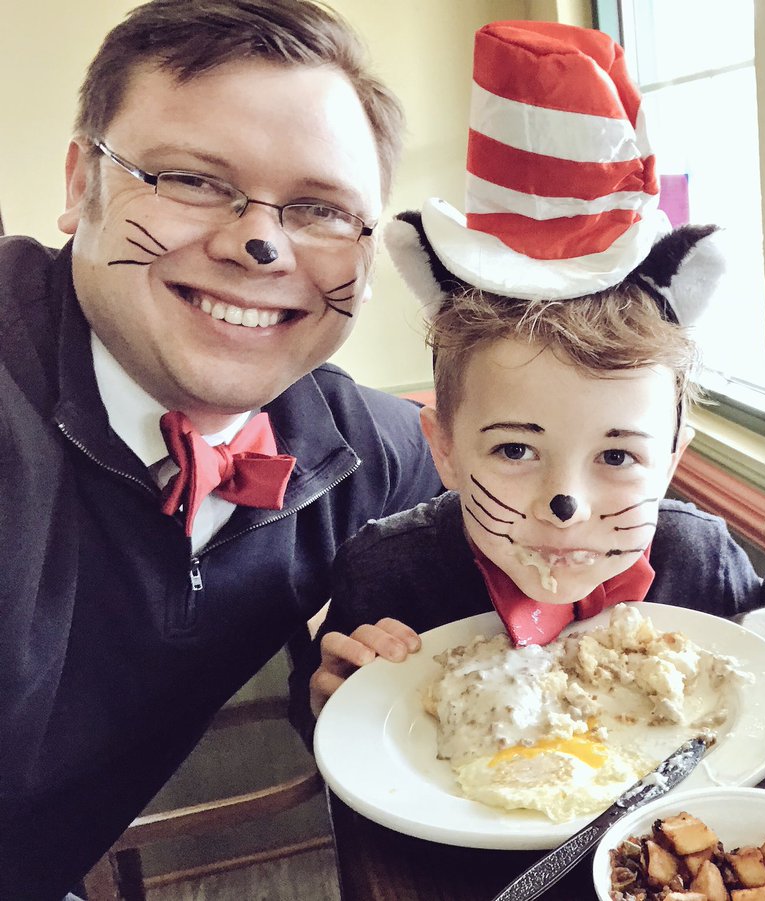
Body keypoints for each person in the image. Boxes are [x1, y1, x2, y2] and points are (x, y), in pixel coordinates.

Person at [0, 1, 444, 896]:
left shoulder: (373, 452)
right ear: (80, 180)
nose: (259, 239)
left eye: (321, 207)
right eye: (194, 179)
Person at [304, 21, 765, 719]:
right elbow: (337, 731)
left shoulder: (699, 556)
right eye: (514, 448)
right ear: (443, 446)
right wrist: (331, 696)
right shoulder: (386, 573)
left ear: (671, 458)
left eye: (618, 454)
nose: (564, 504)